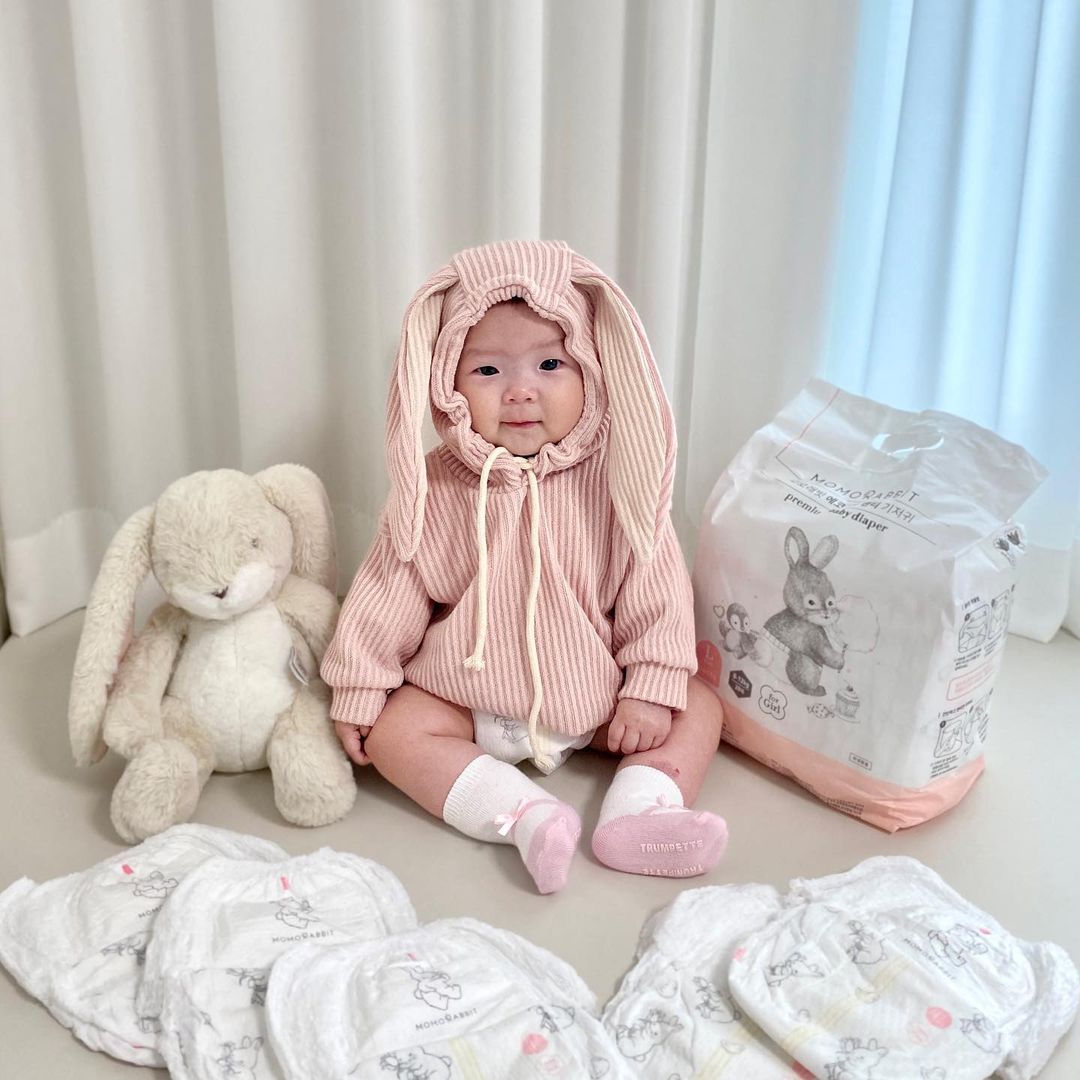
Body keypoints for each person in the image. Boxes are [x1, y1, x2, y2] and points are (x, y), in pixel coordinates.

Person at [321, 240, 726, 894]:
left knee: (698, 705)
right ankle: (525, 817)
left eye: (549, 364)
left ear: (591, 371)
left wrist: (649, 686)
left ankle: (640, 811)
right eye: (487, 370)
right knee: (397, 732)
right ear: (447, 383)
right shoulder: (436, 485)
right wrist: (362, 686)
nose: (519, 392)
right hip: (468, 697)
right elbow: (391, 587)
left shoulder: (619, 476)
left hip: (596, 698)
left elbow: (656, 588)